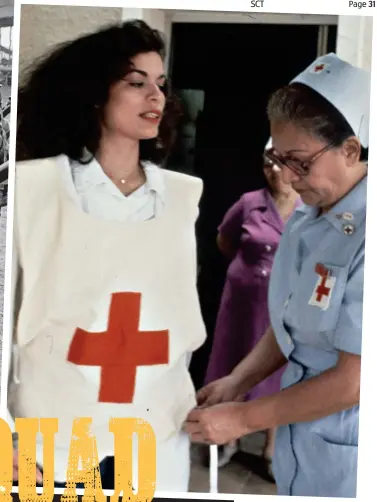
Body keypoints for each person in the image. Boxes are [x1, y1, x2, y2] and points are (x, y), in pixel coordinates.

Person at [9, 19, 206, 491]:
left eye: (160, 84)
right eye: (136, 84)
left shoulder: (182, 197)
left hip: (153, 432)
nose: (155, 97)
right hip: (52, 432)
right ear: (95, 94)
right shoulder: (32, 189)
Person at [184, 52, 369, 498]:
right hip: (301, 442)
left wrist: (243, 419)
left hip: (350, 448)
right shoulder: (307, 220)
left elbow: (355, 380)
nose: (285, 176)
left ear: (351, 148)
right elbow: (291, 324)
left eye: (299, 162)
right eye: (278, 158)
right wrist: (238, 381)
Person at [203, 151, 300, 471]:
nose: (273, 170)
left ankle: (271, 448)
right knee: (233, 362)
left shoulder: (308, 206)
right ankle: (227, 439)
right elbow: (224, 240)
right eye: (266, 162)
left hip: (283, 306)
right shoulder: (249, 202)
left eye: (280, 162)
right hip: (243, 301)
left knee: (277, 370)